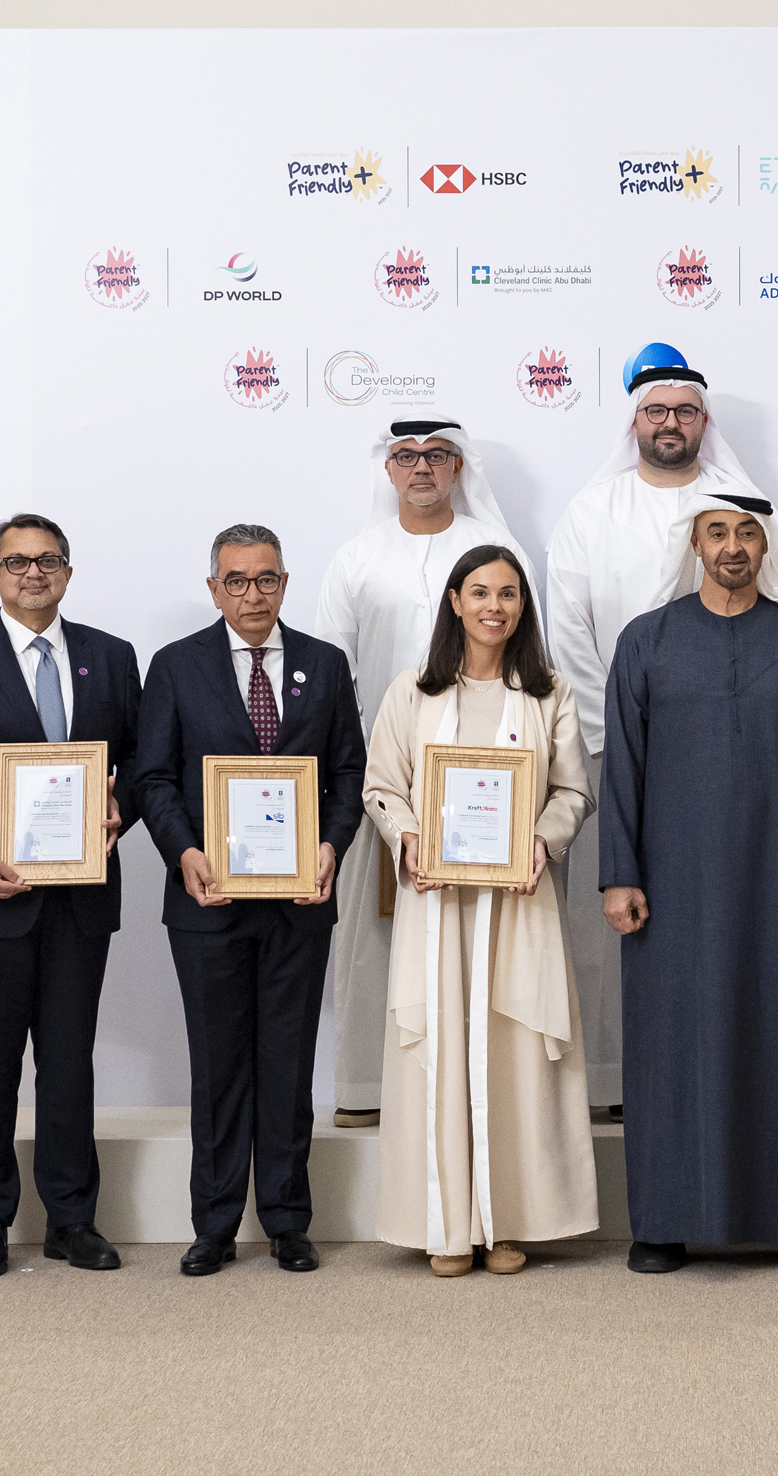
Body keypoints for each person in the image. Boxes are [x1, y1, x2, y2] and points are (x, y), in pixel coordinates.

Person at [599, 494, 778, 1272]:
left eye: (748, 533)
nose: (734, 546)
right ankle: (664, 1222)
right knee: (671, 1045)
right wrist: (620, 875)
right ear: (696, 544)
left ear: (766, 546)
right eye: (718, 532)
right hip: (672, 889)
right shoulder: (646, 641)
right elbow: (622, 770)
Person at [136, 524, 367, 1278]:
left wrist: (332, 844)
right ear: (213, 589)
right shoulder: (176, 667)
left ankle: (288, 1220)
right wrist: (185, 851)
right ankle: (213, 1224)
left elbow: (346, 774)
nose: (252, 594)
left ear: (285, 583)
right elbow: (154, 779)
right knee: (219, 1065)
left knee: (288, 1063)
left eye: (265, 579)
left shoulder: (325, 666)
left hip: (300, 900)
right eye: (236, 580)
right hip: (207, 899)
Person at [361, 544, 597, 1277]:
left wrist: (540, 841)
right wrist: (408, 840)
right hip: (441, 905)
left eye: (509, 594)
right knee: (441, 1047)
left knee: (513, 1049)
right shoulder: (414, 691)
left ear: (523, 606)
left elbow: (572, 791)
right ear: (455, 602)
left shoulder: (548, 693)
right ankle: (445, 1222)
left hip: (517, 903)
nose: (495, 606)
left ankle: (510, 1221)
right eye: (480, 592)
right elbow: (382, 787)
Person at [0, 513, 139, 1279]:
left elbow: (136, 767)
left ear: (68, 573)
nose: (33, 573)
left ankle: (72, 1219)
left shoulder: (111, 658)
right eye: (17, 562)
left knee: (71, 1062)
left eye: (47, 561)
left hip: (80, 900)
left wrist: (122, 810)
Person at [546, 344, 769, 1111]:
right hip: (613, 751)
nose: (669, 423)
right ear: (634, 421)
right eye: (655, 411)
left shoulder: (739, 504)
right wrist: (617, 743)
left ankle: (718, 1075)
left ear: (703, 422)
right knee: (614, 918)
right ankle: (610, 1081)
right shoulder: (591, 510)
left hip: (722, 758)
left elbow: (768, 623)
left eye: (683, 410)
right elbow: (569, 633)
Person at [317, 416, 538, 1131]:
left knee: (479, 929)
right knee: (373, 931)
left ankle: (473, 1082)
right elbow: (332, 669)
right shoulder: (357, 555)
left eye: (436, 456)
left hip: (487, 774)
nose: (421, 468)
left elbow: (530, 653)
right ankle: (366, 1084)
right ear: (389, 471)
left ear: (457, 467)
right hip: (381, 770)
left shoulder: (492, 551)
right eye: (406, 457)